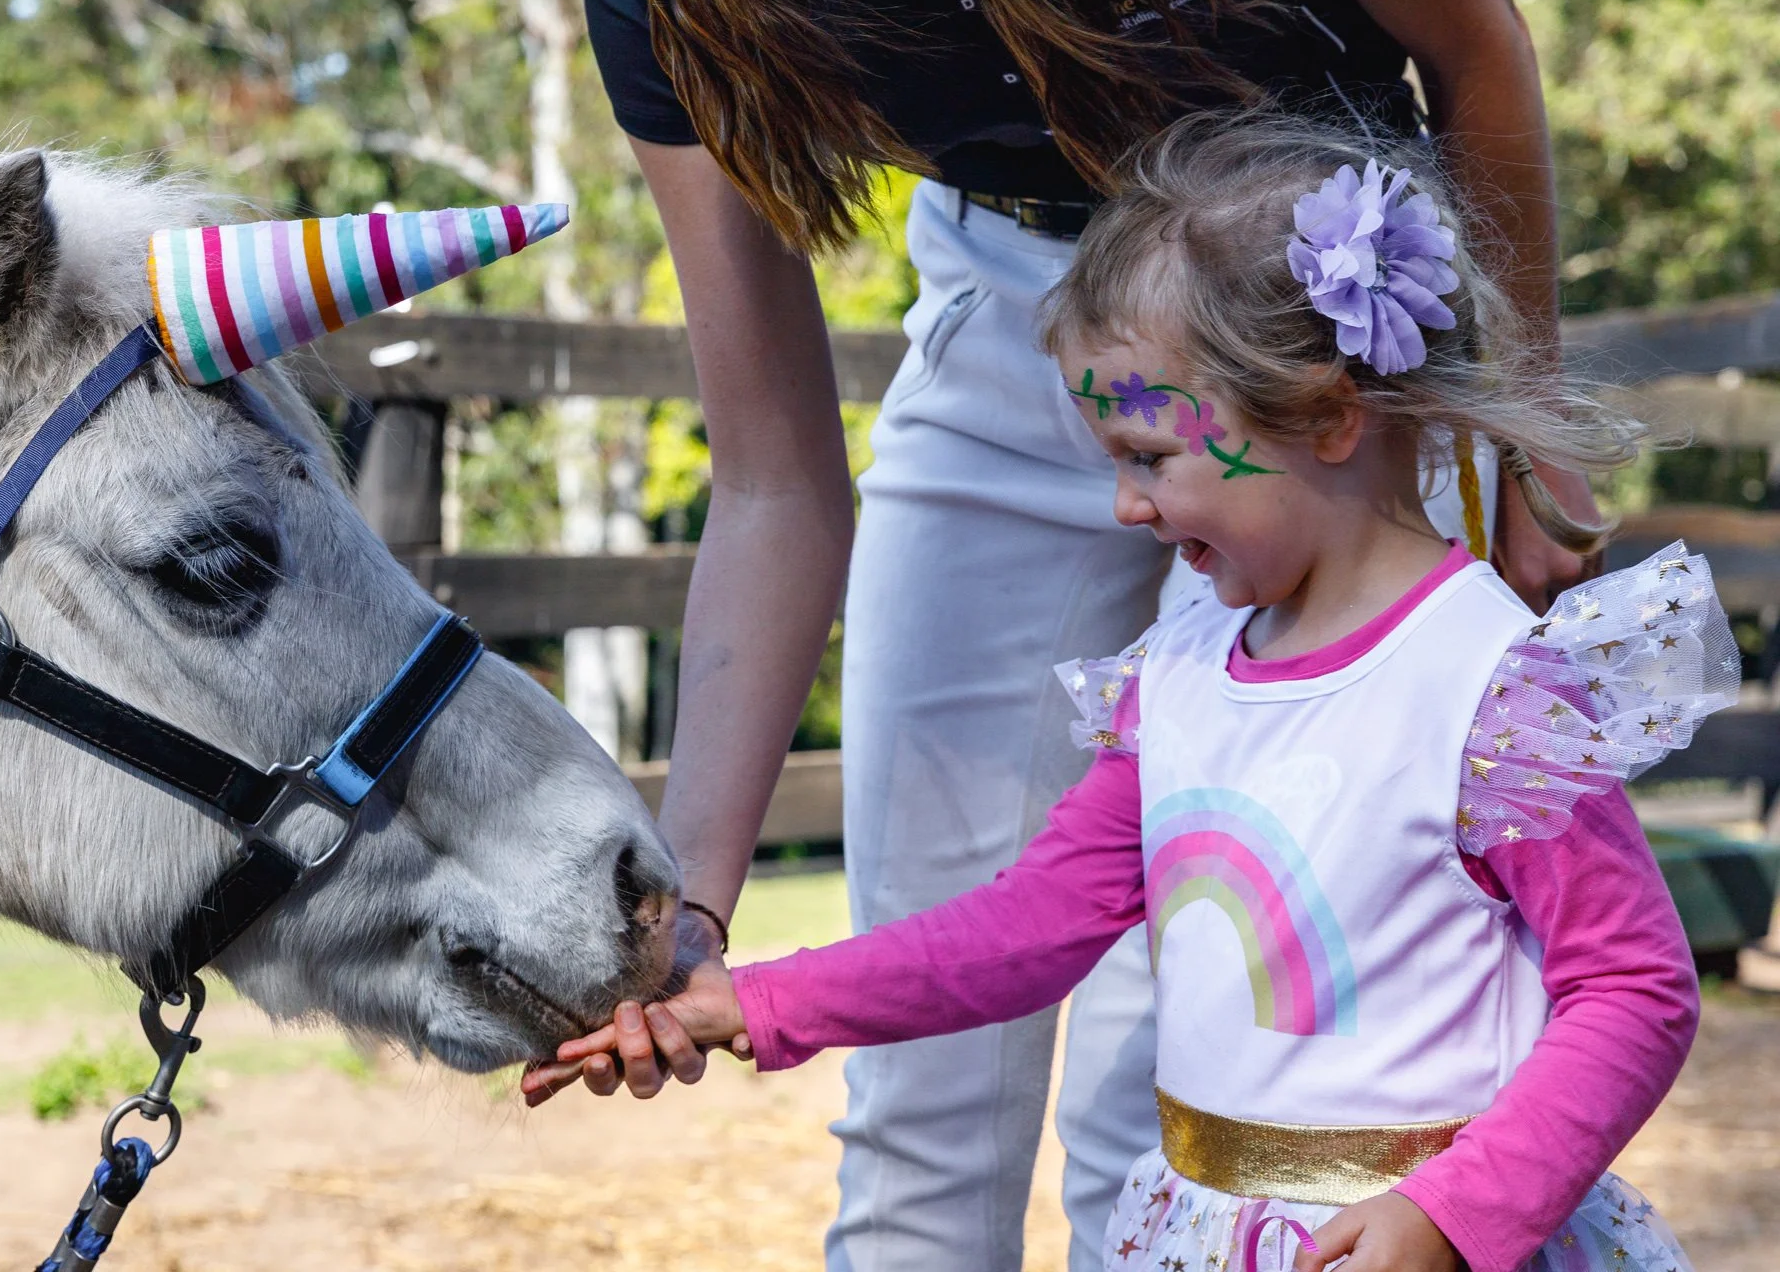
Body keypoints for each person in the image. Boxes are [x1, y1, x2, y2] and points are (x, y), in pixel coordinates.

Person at [564, 0, 1598, 1266]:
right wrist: (689, 917)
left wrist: (1525, 422)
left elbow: (1477, 46)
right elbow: (774, 477)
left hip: (1288, 347)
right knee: (925, 1099)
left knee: (1181, 1065)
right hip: (1012, 298)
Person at [528, 114, 1737, 1272]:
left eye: (1150, 458)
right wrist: (749, 1003)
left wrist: (1456, 1213)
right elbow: (1020, 930)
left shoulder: (1491, 693)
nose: (1125, 508)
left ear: (1326, 415)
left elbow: (1633, 990)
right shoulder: (1178, 684)